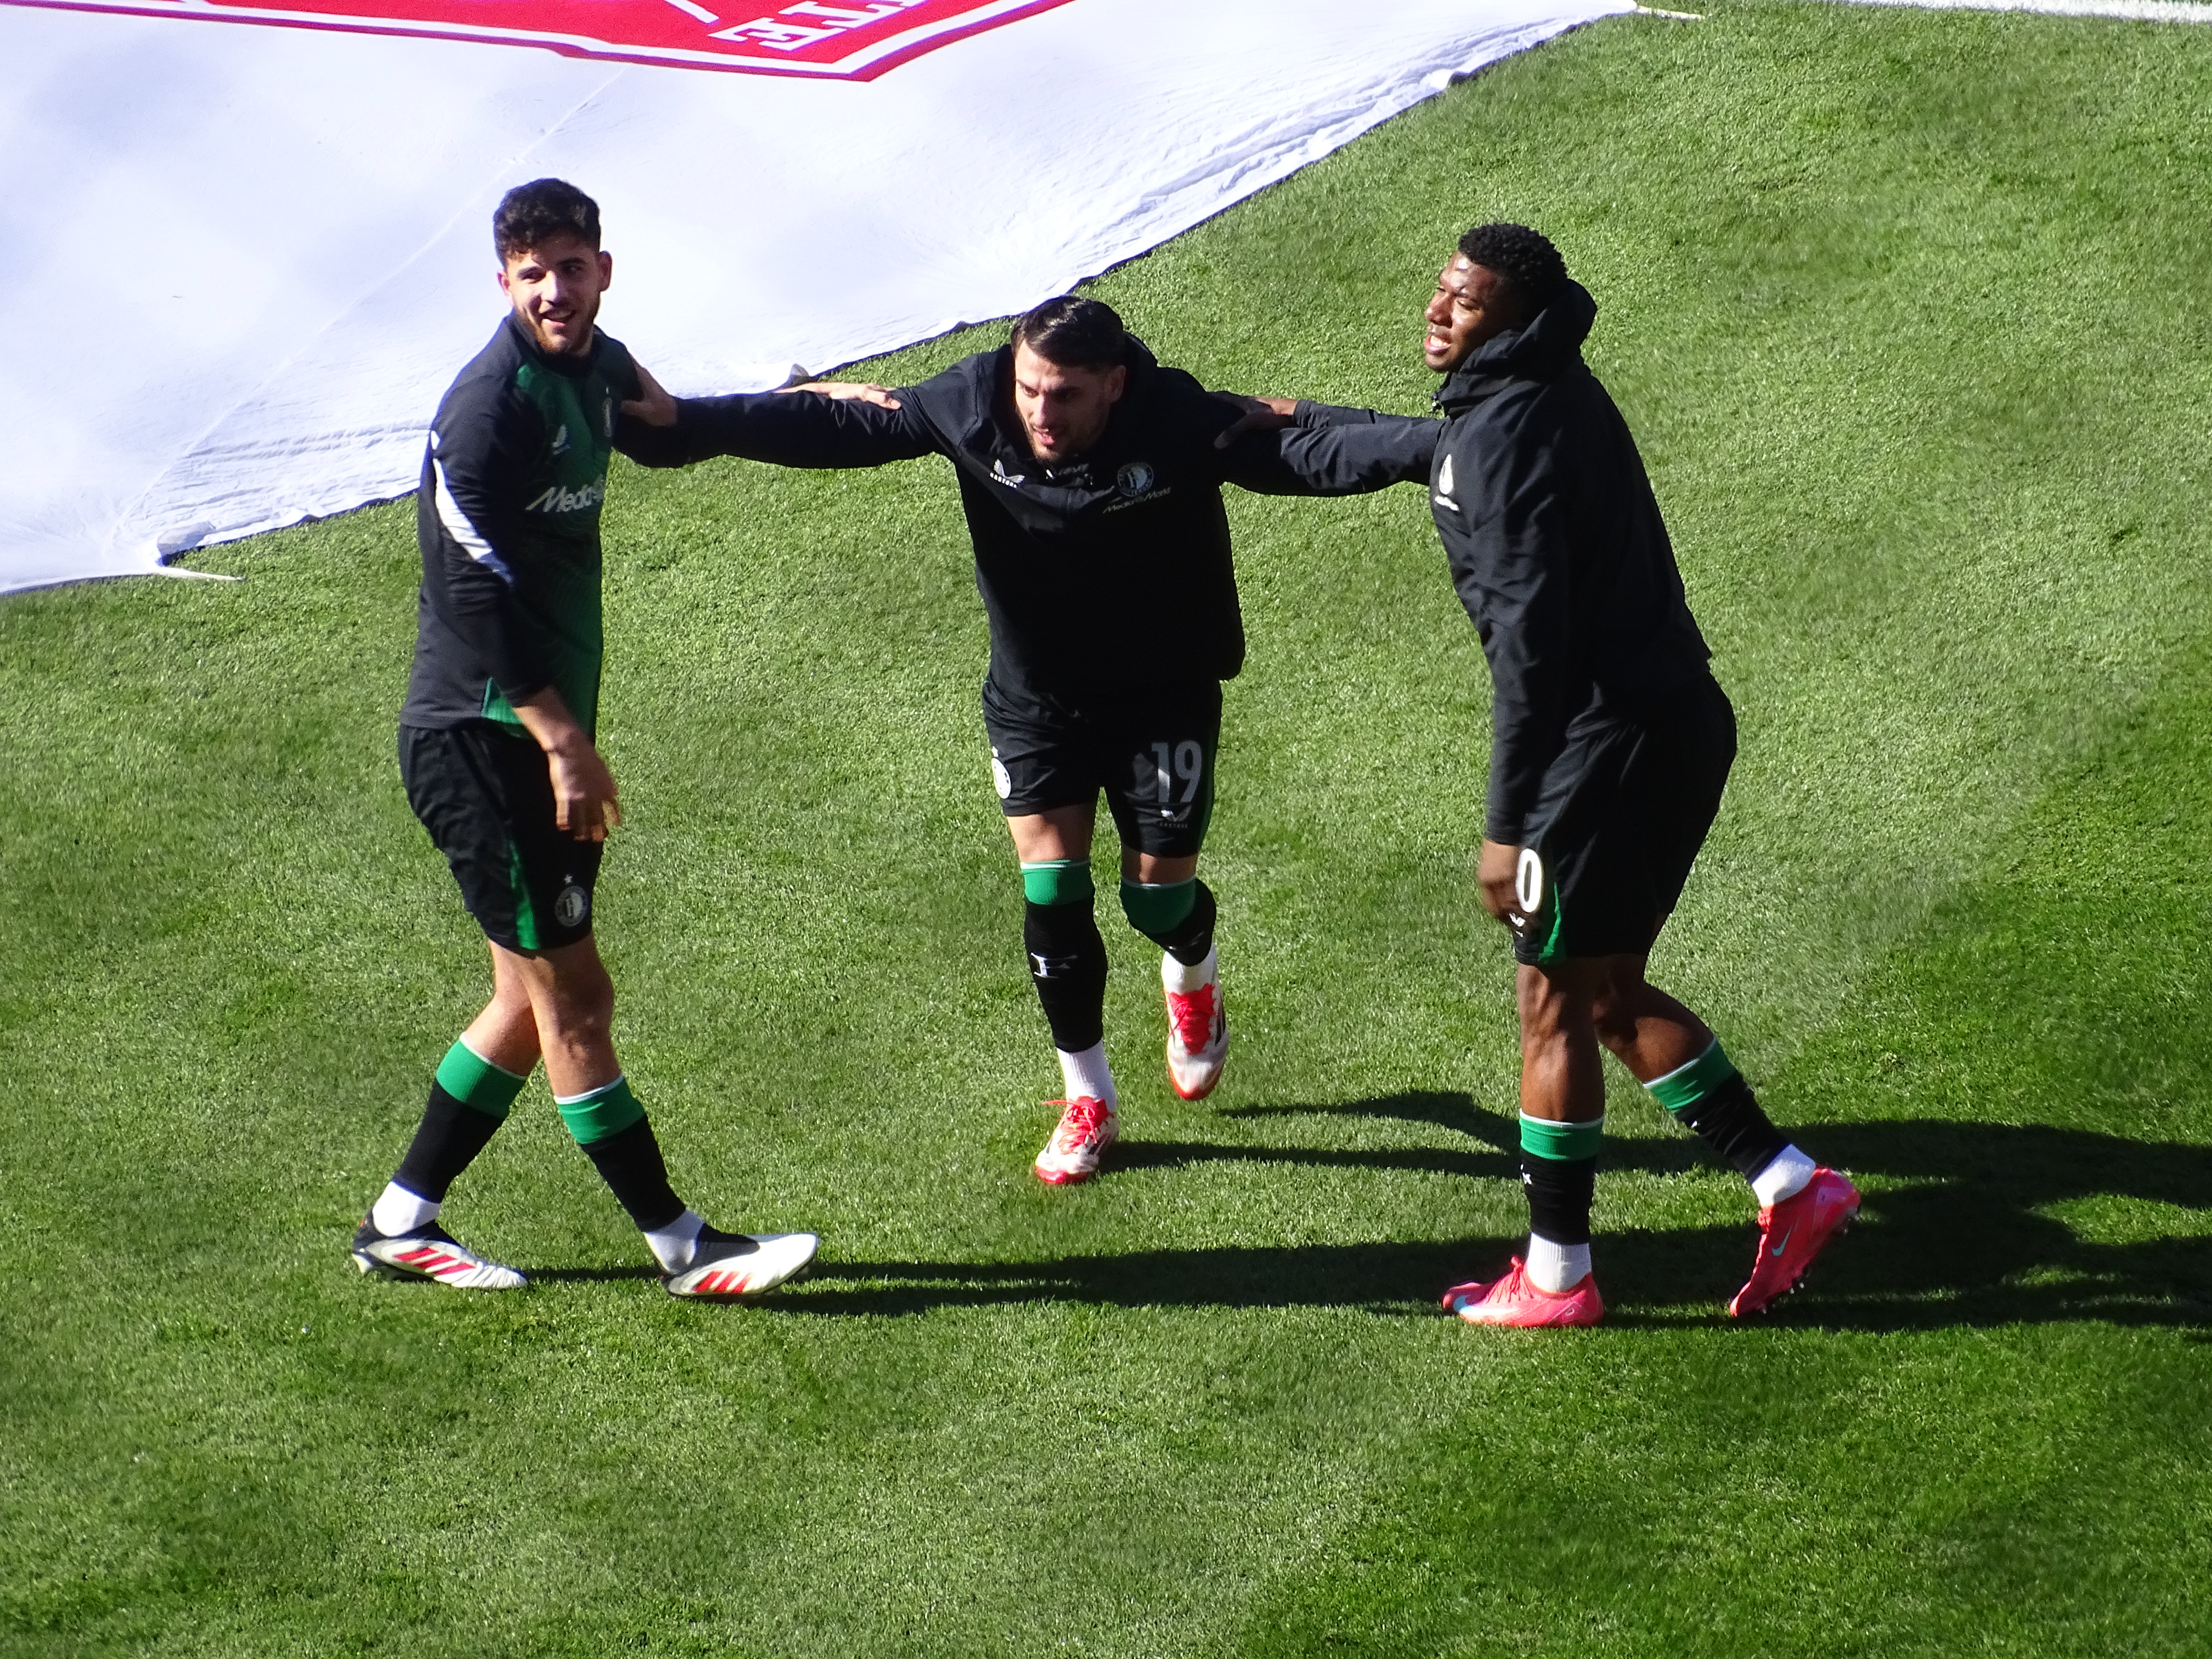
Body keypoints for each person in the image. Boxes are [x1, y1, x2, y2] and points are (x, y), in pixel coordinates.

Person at [619, 297, 1432, 1184]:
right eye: (1032, 388)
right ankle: (1089, 1098)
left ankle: (1191, 968)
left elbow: (1304, 449)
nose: (1043, 413)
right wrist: (689, 424)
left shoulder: (1175, 419)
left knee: (1156, 901)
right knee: (1053, 894)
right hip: (1037, 704)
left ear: (1115, 386)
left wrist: (1437, 447)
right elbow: (840, 420)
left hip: (1163, 697)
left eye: (1068, 395)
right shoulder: (972, 404)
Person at [1293, 224, 1859, 1325]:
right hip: (1675, 721)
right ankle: (1791, 1185)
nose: (1436, 312)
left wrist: (1507, 827)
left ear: (1513, 317)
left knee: (1551, 1002)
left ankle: (1559, 1277)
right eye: (1439, 291)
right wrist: (1311, 427)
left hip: (1604, 751)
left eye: (1463, 301)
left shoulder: (1501, 444)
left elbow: (1530, 659)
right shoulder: (1547, 387)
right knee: (1604, 995)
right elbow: (1445, 448)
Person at [352, 178, 818, 1298]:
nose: (556, 291)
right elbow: (472, 593)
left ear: (604, 268)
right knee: (577, 1000)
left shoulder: (595, 366)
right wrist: (561, 740)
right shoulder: (486, 411)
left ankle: (400, 1221)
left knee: (522, 1000)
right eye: (534, 275)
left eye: (572, 267)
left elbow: (673, 431)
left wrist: (818, 407)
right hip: (485, 739)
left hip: (523, 741)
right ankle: (683, 1247)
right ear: (503, 284)